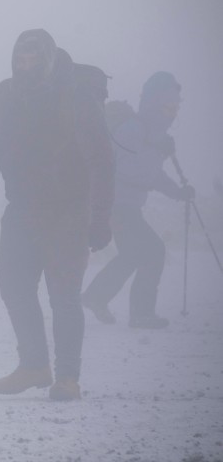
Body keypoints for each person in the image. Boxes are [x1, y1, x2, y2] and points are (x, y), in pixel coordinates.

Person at [0, 29, 115, 401]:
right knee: (13, 284)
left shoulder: (76, 96)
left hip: (69, 211)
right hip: (21, 209)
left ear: (49, 60)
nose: (26, 67)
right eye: (20, 60)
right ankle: (34, 365)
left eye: (34, 60)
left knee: (64, 294)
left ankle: (67, 377)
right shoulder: (3, 95)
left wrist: (100, 217)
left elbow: (101, 158)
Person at [81, 72, 194, 329]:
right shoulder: (133, 130)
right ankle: (140, 314)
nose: (172, 113)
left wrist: (178, 191)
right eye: (168, 106)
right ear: (153, 104)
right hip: (114, 205)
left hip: (127, 206)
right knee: (153, 251)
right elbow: (121, 168)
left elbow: (151, 173)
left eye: (176, 107)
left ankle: (96, 297)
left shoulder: (152, 137)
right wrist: (157, 152)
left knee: (133, 254)